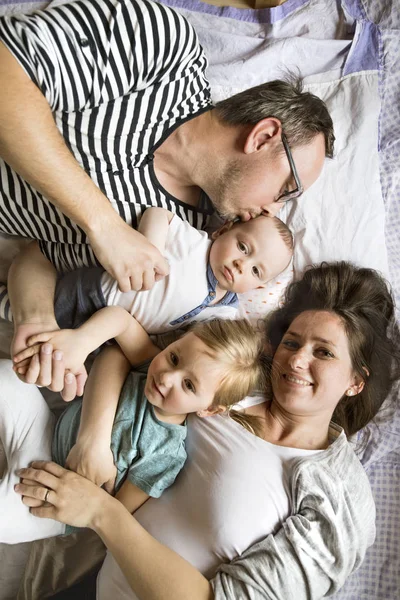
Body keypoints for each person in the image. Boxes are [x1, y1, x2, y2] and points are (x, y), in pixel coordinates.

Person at [13, 262, 400, 600]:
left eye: (324, 352)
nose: (297, 360)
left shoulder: (339, 496)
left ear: (356, 382)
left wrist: (102, 513)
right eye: (292, 342)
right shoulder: (234, 383)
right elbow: (131, 358)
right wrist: (93, 438)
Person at [0, 0, 333, 392]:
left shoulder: (179, 246)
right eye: (285, 190)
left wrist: (36, 322)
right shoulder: (166, 52)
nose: (273, 210)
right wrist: (103, 224)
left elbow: (38, 254)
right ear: (263, 137)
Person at [0, 318, 265, 544]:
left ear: (209, 409)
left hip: (53, 500)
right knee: (6, 376)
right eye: (173, 357)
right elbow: (120, 326)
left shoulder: (167, 454)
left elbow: (118, 511)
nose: (166, 377)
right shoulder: (146, 364)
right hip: (47, 432)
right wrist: (93, 442)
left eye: (188, 385)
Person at [9, 209, 293, 379]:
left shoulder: (225, 312)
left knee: (50, 352)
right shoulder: (195, 245)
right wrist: (151, 248)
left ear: (258, 287)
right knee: (32, 308)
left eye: (256, 271)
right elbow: (159, 213)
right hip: (92, 292)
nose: (241, 264)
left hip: (111, 336)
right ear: (224, 230)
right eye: (243, 247)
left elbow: (214, 347)